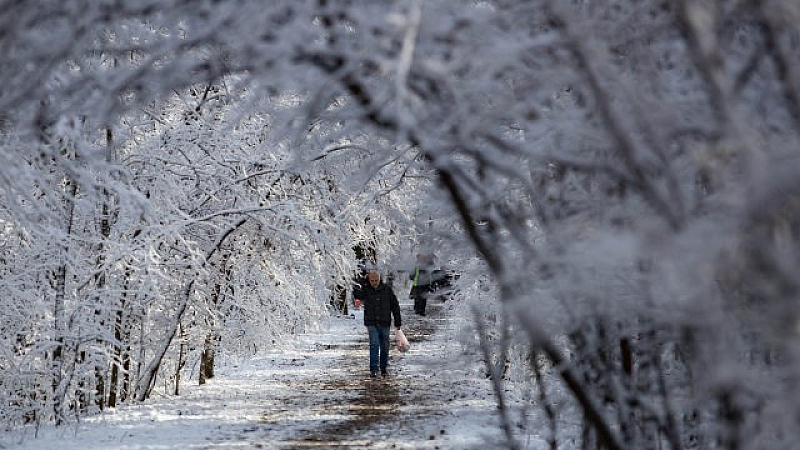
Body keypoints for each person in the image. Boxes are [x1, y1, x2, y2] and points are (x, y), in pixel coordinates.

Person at [358, 269, 402, 378]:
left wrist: (398, 321)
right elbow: (357, 295)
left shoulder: (387, 289)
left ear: (380, 279)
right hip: (371, 322)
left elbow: (395, 305)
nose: (374, 282)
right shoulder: (366, 289)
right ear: (368, 280)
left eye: (376, 280)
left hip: (385, 322)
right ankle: (374, 368)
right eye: (372, 280)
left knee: (385, 345)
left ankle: (383, 368)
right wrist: (362, 282)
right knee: (374, 344)